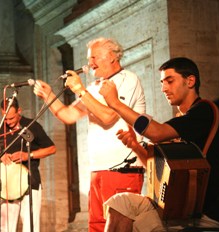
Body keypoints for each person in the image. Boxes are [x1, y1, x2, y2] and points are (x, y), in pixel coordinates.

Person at [98, 57, 219, 231]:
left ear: (190, 81)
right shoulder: (182, 122)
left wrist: (115, 103)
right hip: (178, 206)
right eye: (162, 83)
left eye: (170, 81)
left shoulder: (204, 111)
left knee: (139, 223)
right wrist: (134, 145)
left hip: (201, 213)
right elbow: (154, 167)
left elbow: (156, 133)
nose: (164, 88)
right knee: (120, 203)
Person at [33, 37, 146, 231]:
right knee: (96, 226)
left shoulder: (128, 79)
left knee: (119, 228)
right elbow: (69, 115)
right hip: (97, 170)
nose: (89, 63)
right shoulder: (93, 87)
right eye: (88, 58)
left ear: (112, 57)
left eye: (94, 57)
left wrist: (79, 89)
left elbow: (109, 116)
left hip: (121, 169)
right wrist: (48, 95)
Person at [0, 98, 56, 232]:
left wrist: (28, 155)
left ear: (19, 111)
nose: (8, 122)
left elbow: (51, 148)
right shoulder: (0, 128)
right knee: (6, 227)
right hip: (8, 184)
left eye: (11, 118)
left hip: (30, 181)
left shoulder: (32, 126)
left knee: (30, 225)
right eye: (5, 118)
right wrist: (1, 156)